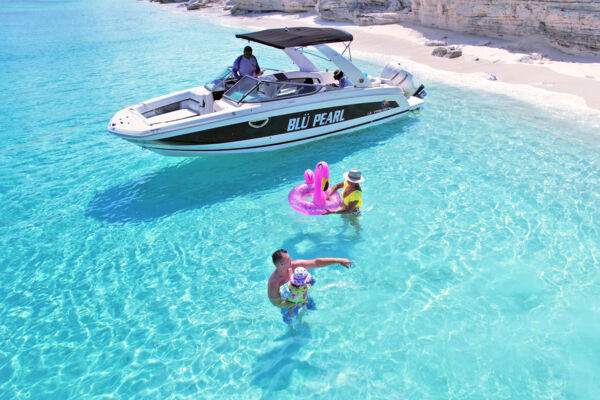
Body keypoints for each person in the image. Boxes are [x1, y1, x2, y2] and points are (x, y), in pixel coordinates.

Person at [268, 249, 353, 307]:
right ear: (281, 265)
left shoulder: (295, 266)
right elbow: (277, 303)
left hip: (304, 297)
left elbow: (316, 262)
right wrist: (297, 302)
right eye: (288, 260)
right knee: (292, 322)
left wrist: (338, 260)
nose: (291, 260)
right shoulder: (274, 282)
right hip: (290, 306)